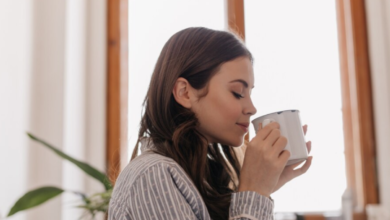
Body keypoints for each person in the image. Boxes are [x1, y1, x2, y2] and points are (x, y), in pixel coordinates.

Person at [108, 27, 313, 220]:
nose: (252, 108)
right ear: (184, 92)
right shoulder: (153, 175)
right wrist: (253, 192)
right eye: (238, 93)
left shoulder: (199, 178)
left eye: (250, 93)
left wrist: (263, 188)